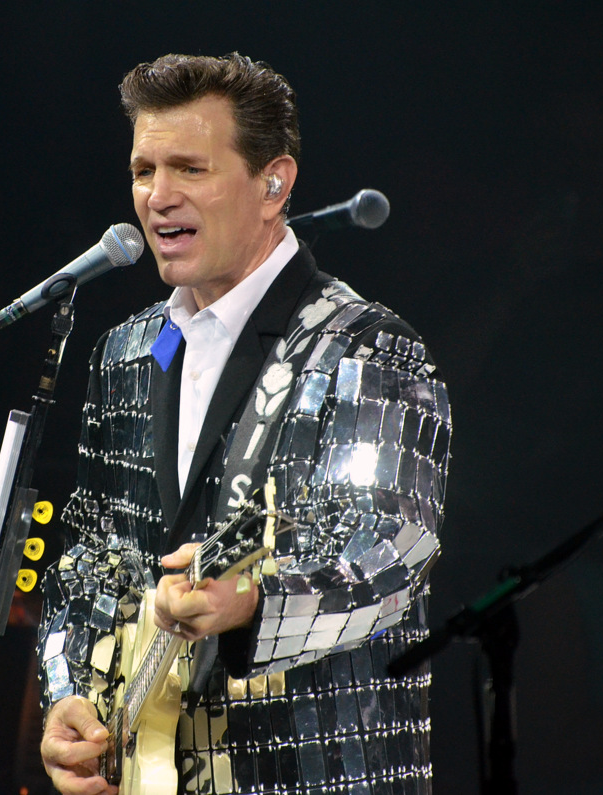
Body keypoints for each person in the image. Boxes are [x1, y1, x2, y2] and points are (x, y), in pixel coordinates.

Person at [37, 53, 451, 795]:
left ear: (274, 184)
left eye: (190, 169)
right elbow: (89, 554)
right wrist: (69, 691)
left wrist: (255, 600)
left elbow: (390, 546)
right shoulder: (125, 352)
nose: (158, 197)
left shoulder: (365, 346)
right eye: (143, 171)